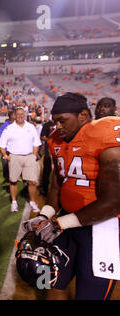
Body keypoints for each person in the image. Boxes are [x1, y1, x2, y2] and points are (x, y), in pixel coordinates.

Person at [22, 92, 120, 300]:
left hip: (102, 228)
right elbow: (57, 185)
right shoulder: (56, 141)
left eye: (62, 121)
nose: (57, 126)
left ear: (84, 115)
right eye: (55, 121)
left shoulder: (104, 134)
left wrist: (60, 223)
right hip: (67, 223)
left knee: (90, 294)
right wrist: (45, 215)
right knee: (50, 280)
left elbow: (114, 201)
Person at [0, 107, 42, 213]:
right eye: (18, 114)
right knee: (13, 181)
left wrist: (34, 155)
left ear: (25, 114)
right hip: (14, 157)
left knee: (32, 181)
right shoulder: (9, 128)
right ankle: (14, 202)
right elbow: (1, 144)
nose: (20, 116)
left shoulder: (31, 127)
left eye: (22, 114)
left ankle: (32, 202)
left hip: (29, 157)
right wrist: (6, 155)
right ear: (15, 115)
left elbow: (36, 142)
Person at [0, 110, 15, 185]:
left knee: (14, 167)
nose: (16, 115)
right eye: (14, 114)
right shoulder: (4, 126)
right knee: (6, 167)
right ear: (10, 116)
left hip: (15, 151)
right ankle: (8, 182)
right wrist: (2, 150)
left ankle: (13, 181)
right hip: (6, 150)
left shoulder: (17, 125)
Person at [39, 118, 56, 196]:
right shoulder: (47, 125)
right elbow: (42, 136)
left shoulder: (62, 123)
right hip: (48, 150)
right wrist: (50, 140)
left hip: (59, 151)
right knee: (47, 171)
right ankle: (44, 189)